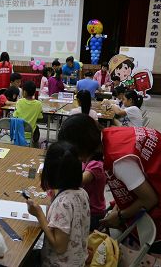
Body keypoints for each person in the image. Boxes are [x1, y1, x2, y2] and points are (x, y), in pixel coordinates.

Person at [58, 115, 161, 253]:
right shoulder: (110, 134)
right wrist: (116, 210)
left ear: (82, 146)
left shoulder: (119, 161)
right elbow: (131, 183)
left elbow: (149, 199)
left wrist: (120, 216)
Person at [26, 141, 90, 266]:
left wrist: (39, 215)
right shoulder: (82, 192)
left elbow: (59, 247)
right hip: (78, 260)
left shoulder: (62, 204)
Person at [58, 114, 106, 231]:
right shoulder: (86, 158)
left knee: (60, 224)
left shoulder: (96, 165)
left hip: (93, 213)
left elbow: (77, 181)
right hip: (83, 206)